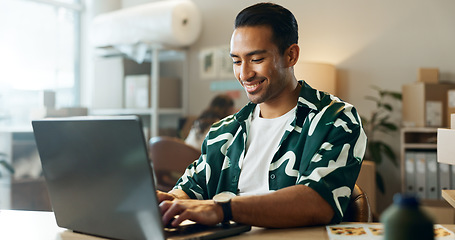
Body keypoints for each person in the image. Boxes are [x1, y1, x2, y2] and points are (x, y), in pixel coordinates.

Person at [158, 2, 367, 228]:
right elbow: (190, 189)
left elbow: (318, 201)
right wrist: (169, 202)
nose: (244, 74)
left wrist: (222, 209)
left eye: (256, 60)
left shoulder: (335, 119)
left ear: (291, 55)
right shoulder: (224, 131)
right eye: (237, 61)